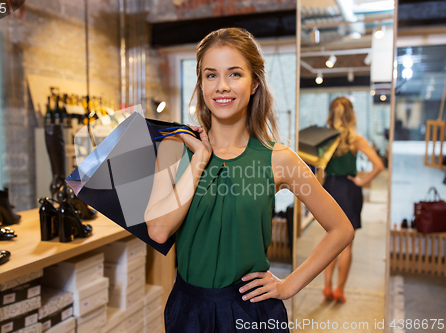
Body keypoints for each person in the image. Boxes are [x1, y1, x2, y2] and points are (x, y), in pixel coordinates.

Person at [144, 28, 354, 332]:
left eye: (235, 74)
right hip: (187, 310)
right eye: (211, 75)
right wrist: (201, 159)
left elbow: (341, 229)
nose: (222, 87)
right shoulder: (174, 148)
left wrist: (289, 285)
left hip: (250, 311)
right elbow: (159, 230)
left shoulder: (280, 159)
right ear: (201, 84)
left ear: (254, 82)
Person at [322, 96, 384, 304]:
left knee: (330, 241)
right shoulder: (355, 140)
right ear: (351, 115)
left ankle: (327, 286)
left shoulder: (325, 138)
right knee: (346, 244)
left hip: (329, 189)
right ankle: (339, 290)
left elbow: (313, 166)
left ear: (331, 113)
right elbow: (378, 165)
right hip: (349, 190)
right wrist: (361, 182)